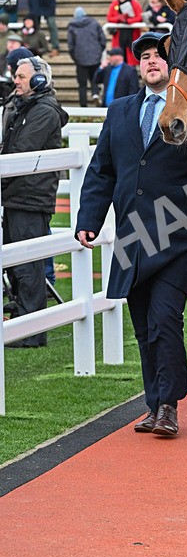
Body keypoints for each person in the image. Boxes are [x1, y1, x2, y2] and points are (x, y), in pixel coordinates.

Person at [75, 32, 187, 436]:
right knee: (143, 325)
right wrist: (89, 218)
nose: (151, 62)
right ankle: (154, 403)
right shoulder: (120, 110)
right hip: (131, 235)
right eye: (144, 57)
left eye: (159, 56)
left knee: (164, 319)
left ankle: (169, 406)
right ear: (138, 67)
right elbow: (101, 170)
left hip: (179, 234)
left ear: (172, 65)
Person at [1, 56, 69, 347]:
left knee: (28, 265)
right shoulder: (25, 107)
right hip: (18, 196)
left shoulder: (44, 111)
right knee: (17, 264)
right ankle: (22, 319)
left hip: (30, 197)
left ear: (40, 80)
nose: (15, 80)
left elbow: (20, 150)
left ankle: (32, 332)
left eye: (21, 76)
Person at [67, 6, 106, 106]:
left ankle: (83, 105)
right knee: (95, 79)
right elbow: (102, 40)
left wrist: (75, 57)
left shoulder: (72, 26)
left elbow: (71, 45)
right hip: (95, 57)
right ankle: (95, 93)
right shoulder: (94, 23)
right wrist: (98, 52)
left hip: (80, 59)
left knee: (82, 85)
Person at [106, 0, 143, 64]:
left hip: (132, 34)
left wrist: (128, 21)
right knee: (119, 54)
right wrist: (119, 19)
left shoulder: (135, 3)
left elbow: (139, 17)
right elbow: (109, 17)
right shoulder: (114, 3)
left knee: (131, 57)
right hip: (119, 35)